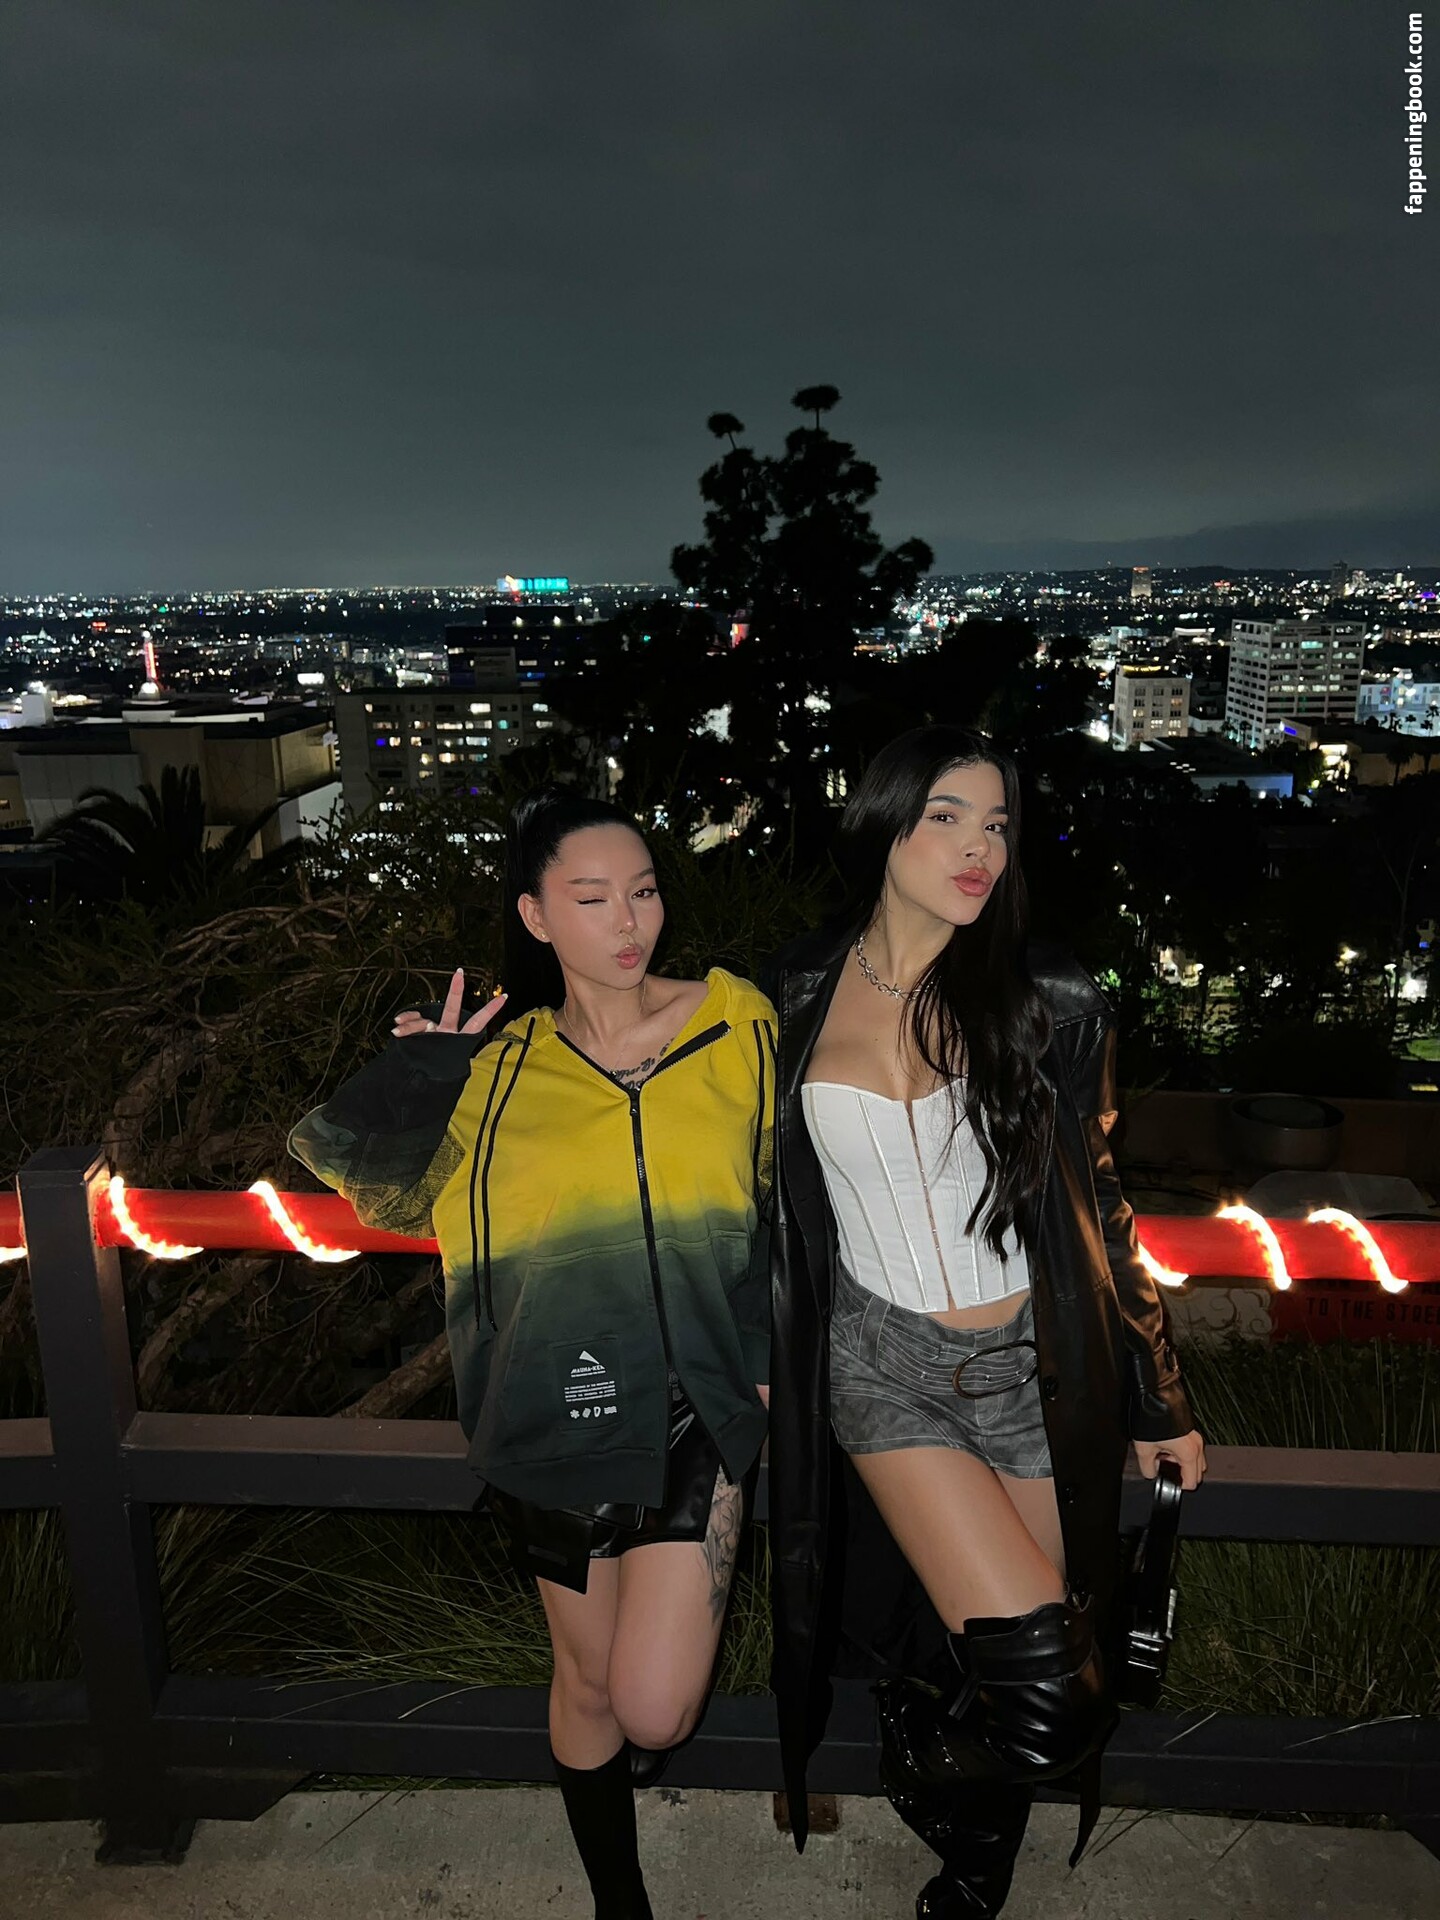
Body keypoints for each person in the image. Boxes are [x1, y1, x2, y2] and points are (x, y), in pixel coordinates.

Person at [291, 788, 776, 1920]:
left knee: (655, 1705)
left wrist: (761, 1353)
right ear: (536, 915)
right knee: (590, 1681)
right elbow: (375, 1185)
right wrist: (426, 1072)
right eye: (592, 899)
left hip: (702, 1404)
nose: (629, 922)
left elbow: (778, 1195)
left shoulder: (737, 1022)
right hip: (554, 1409)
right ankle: (619, 1901)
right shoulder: (498, 1069)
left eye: (644, 892)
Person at [764, 725, 1205, 1920]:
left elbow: (1102, 1206)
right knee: (1048, 1696)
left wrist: (1160, 1398)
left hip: (1030, 1369)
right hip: (884, 1366)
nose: (979, 849)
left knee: (1033, 1680)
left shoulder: (1047, 996)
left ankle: (968, 1862)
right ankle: (930, 1773)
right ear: (884, 825)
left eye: (998, 825)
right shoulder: (790, 994)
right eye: (947, 818)